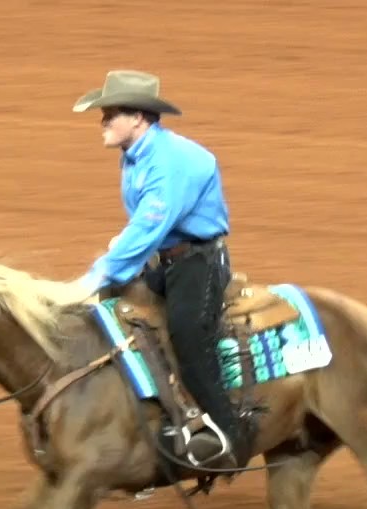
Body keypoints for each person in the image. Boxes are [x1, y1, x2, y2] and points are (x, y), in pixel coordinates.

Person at [71, 69, 247, 469]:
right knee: (118, 320)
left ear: (138, 118)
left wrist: (98, 273)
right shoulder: (137, 155)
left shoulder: (168, 162)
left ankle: (226, 438)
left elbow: (151, 223)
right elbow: (147, 225)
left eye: (110, 113)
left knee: (187, 336)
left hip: (197, 265)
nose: (102, 121)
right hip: (166, 259)